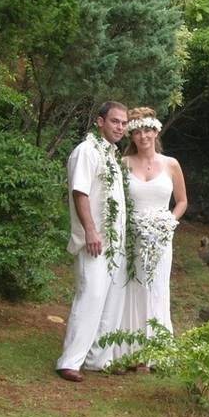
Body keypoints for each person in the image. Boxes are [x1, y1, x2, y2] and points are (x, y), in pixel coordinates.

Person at [55, 102, 129, 382]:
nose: (120, 127)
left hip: (113, 242)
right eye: (115, 121)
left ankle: (98, 358)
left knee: (108, 301)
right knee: (90, 296)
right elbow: (80, 192)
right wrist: (91, 230)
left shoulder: (111, 155)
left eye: (123, 123)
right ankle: (69, 361)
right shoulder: (87, 151)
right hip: (94, 240)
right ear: (100, 122)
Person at [120, 107, 188, 370]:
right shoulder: (124, 164)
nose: (143, 136)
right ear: (131, 136)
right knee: (134, 290)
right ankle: (133, 350)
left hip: (161, 238)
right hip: (133, 237)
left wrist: (169, 222)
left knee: (157, 290)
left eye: (147, 130)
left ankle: (157, 352)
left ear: (156, 130)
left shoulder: (171, 164)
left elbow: (182, 201)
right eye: (136, 131)